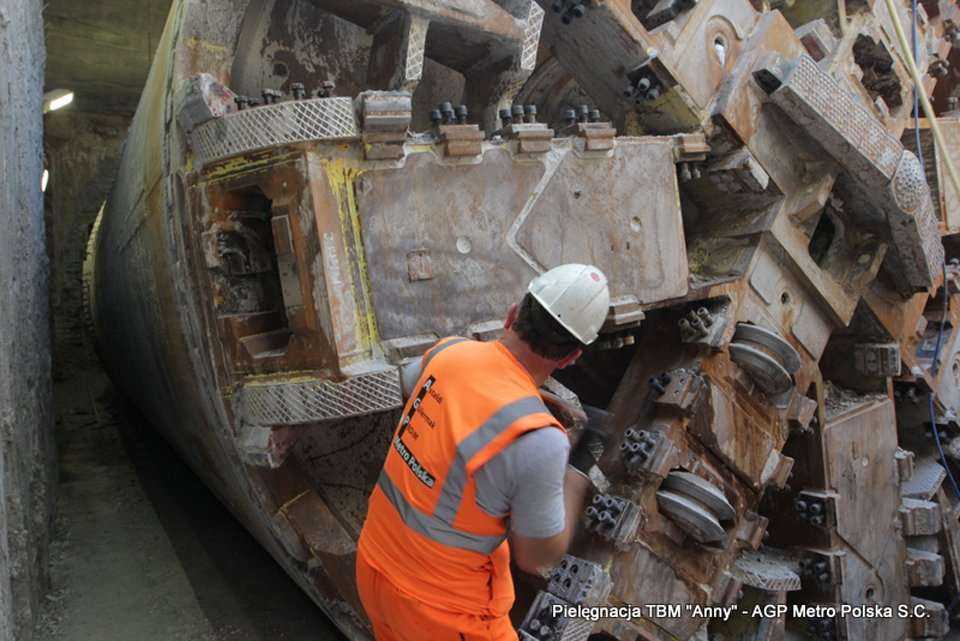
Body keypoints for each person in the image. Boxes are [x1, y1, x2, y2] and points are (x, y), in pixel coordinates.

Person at [356, 263, 611, 641]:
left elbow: (417, 388)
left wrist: (528, 397)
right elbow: (537, 557)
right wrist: (578, 470)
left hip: (373, 567)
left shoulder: (448, 352)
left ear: (512, 314)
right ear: (571, 357)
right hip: (444, 615)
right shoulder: (541, 440)